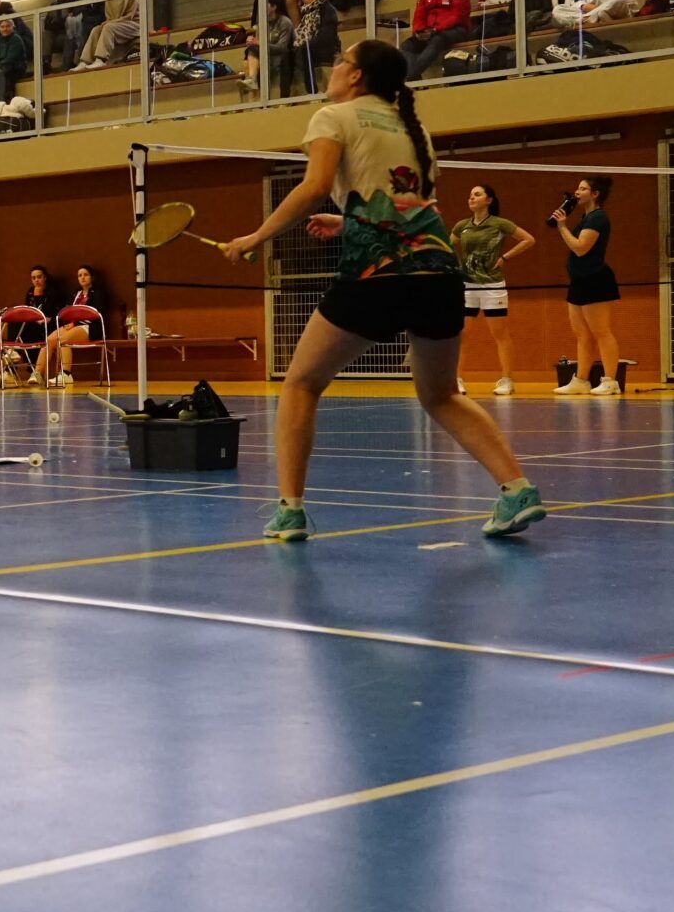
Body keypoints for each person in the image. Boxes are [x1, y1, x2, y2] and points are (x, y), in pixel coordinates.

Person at [221, 39, 546, 540]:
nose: (334, 68)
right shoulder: (415, 130)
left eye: (341, 61)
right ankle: (517, 489)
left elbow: (314, 185)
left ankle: (290, 511)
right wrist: (348, 221)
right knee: (441, 394)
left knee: (301, 384)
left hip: (377, 274)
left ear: (356, 76)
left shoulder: (332, 116)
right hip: (438, 274)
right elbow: (410, 207)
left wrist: (255, 237)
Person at [451, 186, 534, 396]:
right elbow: (447, 246)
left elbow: (528, 239)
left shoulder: (499, 224)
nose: (471, 198)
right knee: (462, 334)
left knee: (500, 334)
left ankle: (507, 380)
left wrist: (505, 257)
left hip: (492, 286)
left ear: (489, 200)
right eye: (470, 195)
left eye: (477, 194)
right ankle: (457, 379)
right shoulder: (462, 226)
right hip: (468, 286)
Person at [551, 175, 622, 395]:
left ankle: (611, 381)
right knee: (582, 334)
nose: (577, 192)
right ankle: (581, 380)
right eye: (578, 188)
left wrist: (562, 226)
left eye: (582, 189)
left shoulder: (598, 218)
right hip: (579, 280)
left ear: (595, 194)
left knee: (601, 332)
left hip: (595, 280)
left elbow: (580, 248)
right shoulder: (586, 217)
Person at [33, 264, 112, 385]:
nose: (82, 277)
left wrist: (75, 323)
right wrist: (70, 323)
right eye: (80, 275)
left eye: (85, 275)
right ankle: (37, 374)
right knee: (49, 340)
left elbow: (95, 314)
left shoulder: (98, 293)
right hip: (73, 325)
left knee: (62, 340)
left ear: (92, 277)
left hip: (90, 327)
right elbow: (70, 311)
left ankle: (66, 374)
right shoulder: (77, 293)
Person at [400, 0, 472, 79]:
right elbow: (419, 15)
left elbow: (457, 16)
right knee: (407, 45)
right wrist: (419, 32)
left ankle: (411, 76)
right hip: (430, 32)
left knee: (437, 40)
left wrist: (435, 30)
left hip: (455, 30)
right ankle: (414, 78)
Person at [0, 266, 55, 385]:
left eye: (39, 277)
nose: (36, 280)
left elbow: (51, 312)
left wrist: (39, 298)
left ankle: (11, 366)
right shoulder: (30, 291)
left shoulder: (52, 291)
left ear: (45, 277)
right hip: (32, 325)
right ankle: (11, 359)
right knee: (15, 321)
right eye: (33, 278)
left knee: (24, 333)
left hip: (46, 327)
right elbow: (27, 310)